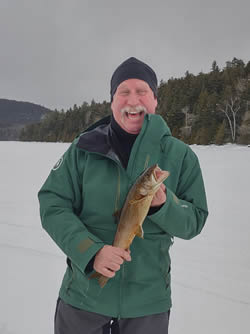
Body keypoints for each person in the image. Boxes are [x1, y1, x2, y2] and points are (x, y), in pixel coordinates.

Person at [38, 57, 208, 334]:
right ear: (112, 101)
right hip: (83, 301)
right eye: (123, 92)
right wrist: (91, 252)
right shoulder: (83, 149)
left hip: (148, 307)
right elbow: (52, 204)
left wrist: (165, 205)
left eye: (142, 91)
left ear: (155, 100)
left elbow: (195, 220)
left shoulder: (180, 156)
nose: (133, 100)